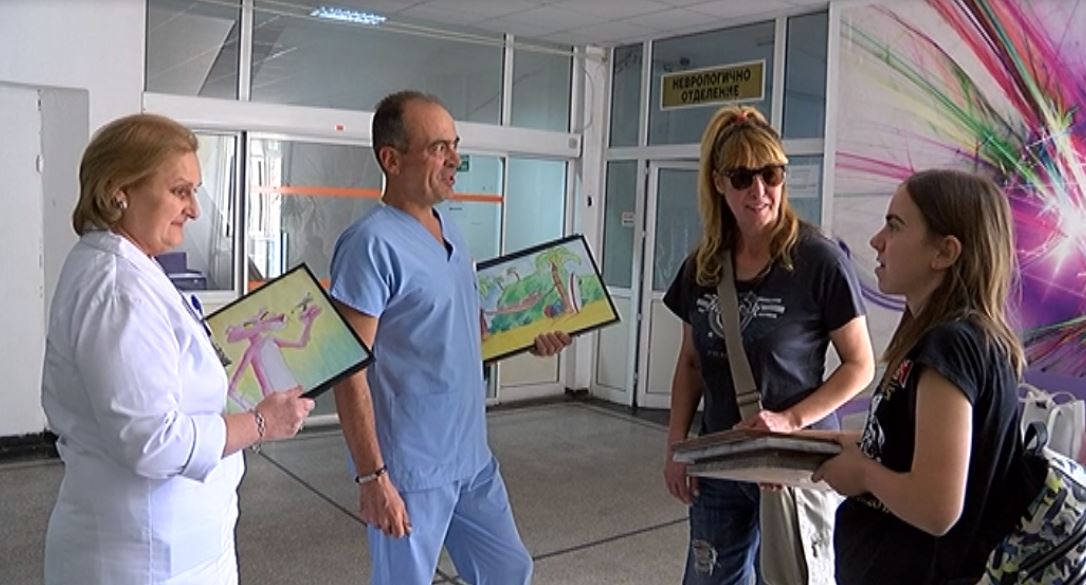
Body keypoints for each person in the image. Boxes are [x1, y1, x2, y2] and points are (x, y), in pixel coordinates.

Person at [41, 113, 314, 585]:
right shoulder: (117, 287)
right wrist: (261, 423)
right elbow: (151, 441)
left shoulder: (132, 267)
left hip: (181, 548)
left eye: (195, 191)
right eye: (180, 191)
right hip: (144, 559)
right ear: (119, 190)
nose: (195, 210)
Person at [329, 90, 570, 585]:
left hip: (471, 455)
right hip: (411, 468)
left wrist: (527, 336)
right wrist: (373, 477)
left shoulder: (451, 230)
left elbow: (463, 329)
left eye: (454, 145)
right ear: (391, 160)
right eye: (439, 148)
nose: (455, 160)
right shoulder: (371, 245)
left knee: (509, 570)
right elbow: (347, 370)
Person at [814, 169, 1086, 584]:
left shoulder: (951, 346)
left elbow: (936, 507)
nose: (877, 241)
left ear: (944, 252)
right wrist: (812, 448)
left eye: (894, 225)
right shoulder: (959, 339)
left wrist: (864, 474)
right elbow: (913, 449)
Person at [662, 105, 875, 585]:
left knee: (789, 577)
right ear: (719, 184)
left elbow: (860, 365)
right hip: (721, 461)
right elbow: (691, 363)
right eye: (742, 178)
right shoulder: (703, 266)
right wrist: (676, 446)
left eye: (771, 174)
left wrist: (789, 421)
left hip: (792, 462)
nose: (759, 190)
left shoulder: (819, 259)